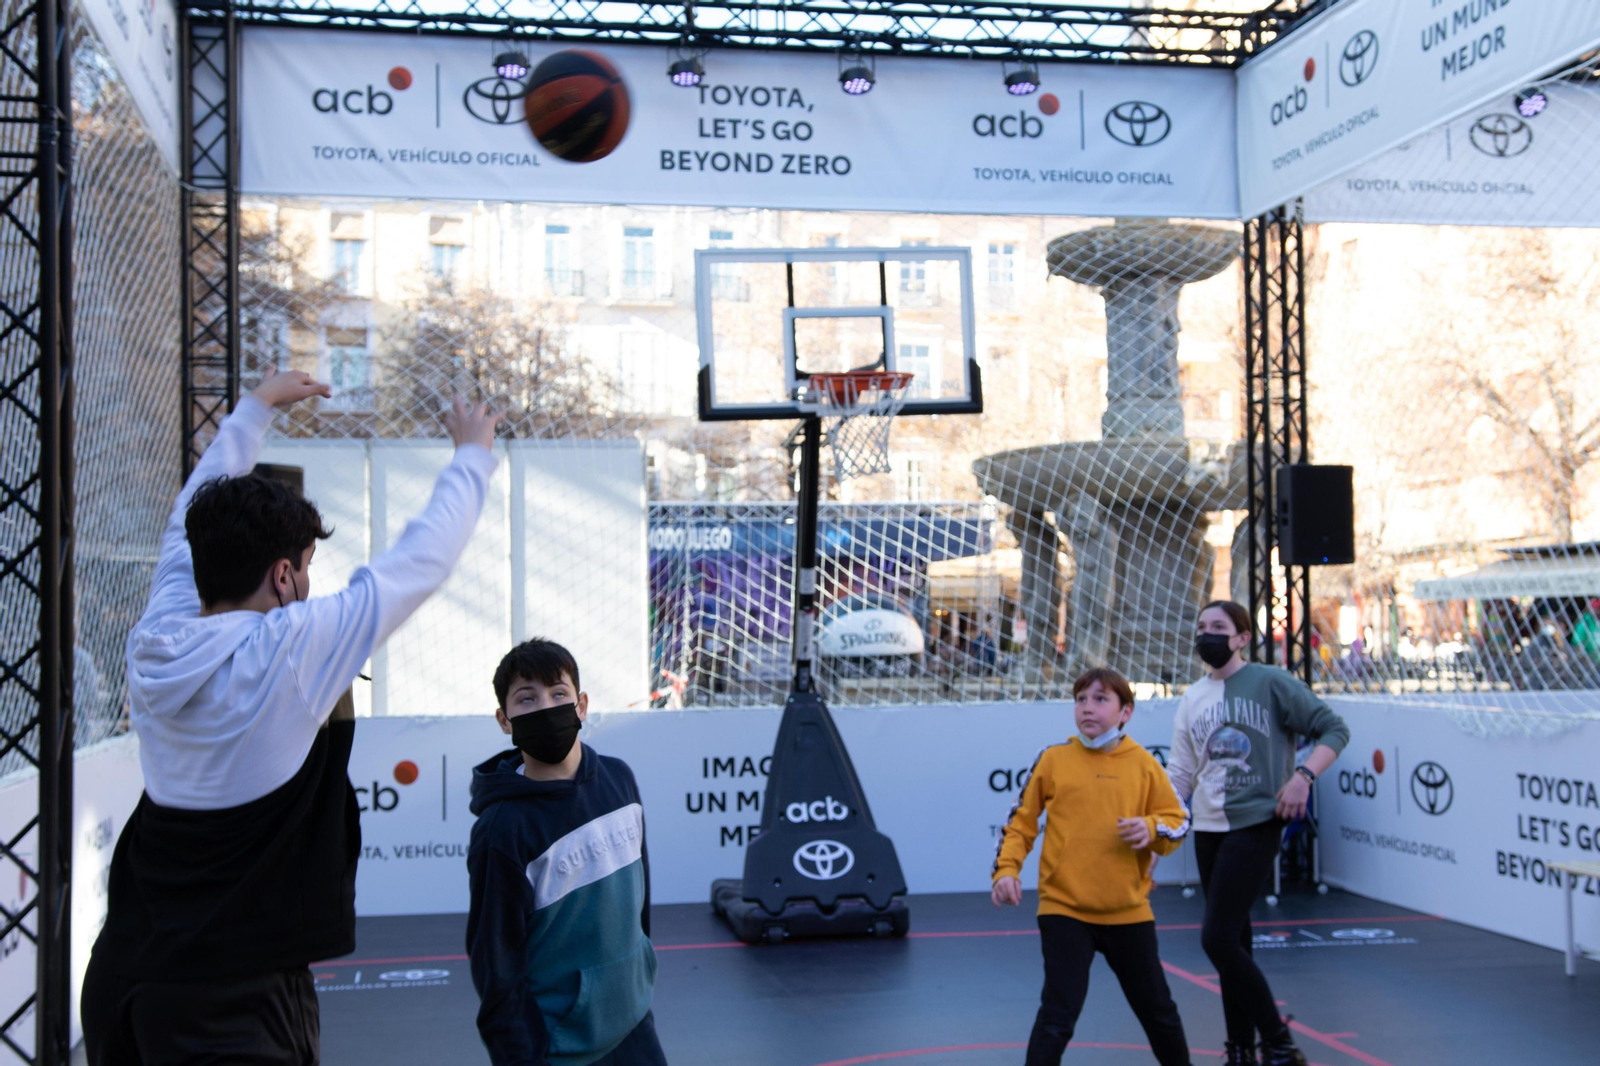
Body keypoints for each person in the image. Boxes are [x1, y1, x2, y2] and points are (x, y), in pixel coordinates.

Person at [82, 369, 502, 1065]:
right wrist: (472, 454)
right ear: (283, 576)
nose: (308, 586)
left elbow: (188, 520)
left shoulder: (158, 634)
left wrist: (254, 411)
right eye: (304, 568)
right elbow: (419, 564)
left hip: (124, 973)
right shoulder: (289, 650)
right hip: (232, 997)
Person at [1166, 600, 1351, 1066]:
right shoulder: (1192, 697)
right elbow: (1181, 772)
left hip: (1256, 821)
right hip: (1208, 826)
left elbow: (1334, 729)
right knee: (1236, 942)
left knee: (1217, 940)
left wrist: (1303, 777)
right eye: (1202, 627)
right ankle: (1240, 1050)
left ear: (1243, 637)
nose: (1207, 635)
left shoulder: (1271, 682)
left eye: (1219, 628)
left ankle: (1279, 1043)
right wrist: (1161, 828)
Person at [467, 639, 667, 1066]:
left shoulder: (620, 780)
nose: (545, 707)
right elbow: (496, 969)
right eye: (527, 698)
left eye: (559, 694)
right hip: (562, 1050)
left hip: (636, 1027)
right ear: (504, 720)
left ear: (581, 705)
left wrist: (638, 974)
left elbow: (638, 905)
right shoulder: (502, 829)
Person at [992, 667, 1195, 1066]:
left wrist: (1151, 828)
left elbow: (1179, 821)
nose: (1087, 708)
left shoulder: (1143, 765)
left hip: (1129, 911)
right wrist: (1006, 871)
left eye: (1100, 699)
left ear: (1126, 712)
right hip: (1064, 909)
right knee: (1057, 1016)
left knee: (1159, 1013)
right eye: (1081, 699)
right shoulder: (1053, 760)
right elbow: (1021, 822)